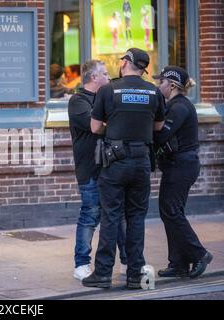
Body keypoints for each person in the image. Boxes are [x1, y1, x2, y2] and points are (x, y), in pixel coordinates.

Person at [82, 48, 165, 289]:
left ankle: (103, 274)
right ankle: (134, 275)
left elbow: (95, 127)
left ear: (126, 63)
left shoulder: (109, 90)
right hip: (142, 160)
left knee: (111, 217)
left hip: (116, 160)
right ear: (143, 68)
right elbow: (158, 126)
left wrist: (117, 128)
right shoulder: (153, 91)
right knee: (137, 218)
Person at [68, 60, 128, 281]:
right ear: (93, 78)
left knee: (118, 215)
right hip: (90, 169)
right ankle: (81, 264)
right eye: (104, 73)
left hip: (110, 168)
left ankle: (127, 260)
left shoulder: (105, 97)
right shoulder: (78, 101)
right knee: (90, 215)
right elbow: (97, 127)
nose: (108, 76)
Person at [153, 66, 213, 279]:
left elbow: (162, 136)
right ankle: (178, 263)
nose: (158, 85)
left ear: (172, 85)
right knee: (170, 211)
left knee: (170, 211)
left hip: (181, 166)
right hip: (177, 165)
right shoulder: (175, 105)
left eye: (160, 82)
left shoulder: (179, 107)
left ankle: (199, 253)